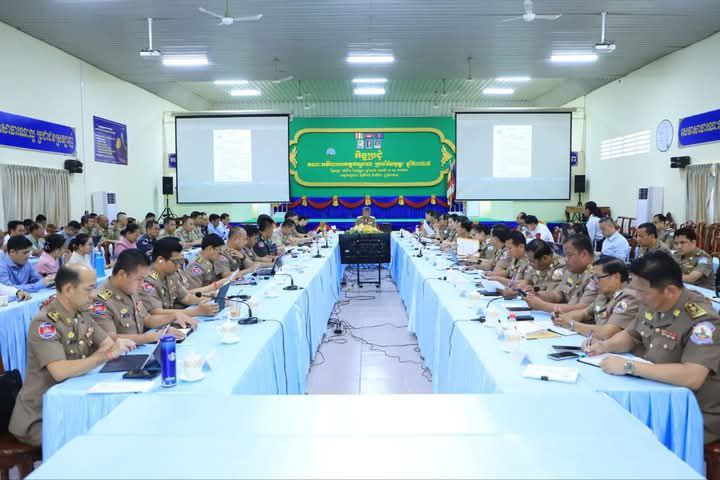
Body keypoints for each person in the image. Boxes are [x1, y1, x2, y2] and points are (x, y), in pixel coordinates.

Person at [585, 251, 720, 444]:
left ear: (670, 291)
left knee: (616, 436)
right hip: (653, 396)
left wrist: (629, 366)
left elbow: (693, 376)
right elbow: (632, 334)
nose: (637, 297)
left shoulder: (703, 321)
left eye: (642, 292)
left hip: (690, 412)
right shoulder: (652, 301)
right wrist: (604, 346)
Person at [9, 264, 136, 446]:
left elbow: (108, 343)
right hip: (42, 416)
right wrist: (104, 355)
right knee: (101, 440)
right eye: (89, 289)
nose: (94, 295)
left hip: (72, 405)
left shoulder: (81, 313)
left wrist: (108, 351)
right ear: (68, 289)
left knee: (118, 425)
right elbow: (60, 371)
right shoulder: (45, 322)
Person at [92, 249, 186, 345]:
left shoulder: (130, 289)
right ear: (122, 274)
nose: (142, 284)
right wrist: (152, 337)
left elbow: (147, 319)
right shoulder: (100, 301)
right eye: (140, 279)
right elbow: (109, 338)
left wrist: (173, 317)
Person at [553, 257, 638, 339]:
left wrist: (571, 324)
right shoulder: (604, 294)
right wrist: (562, 317)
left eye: (598, 277)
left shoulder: (629, 298)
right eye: (593, 278)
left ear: (616, 277)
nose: (595, 282)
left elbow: (608, 333)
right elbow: (585, 313)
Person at [138, 238, 218, 319]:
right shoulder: (147, 281)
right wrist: (196, 311)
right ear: (160, 260)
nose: (179, 266)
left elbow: (186, 297)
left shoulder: (171, 274)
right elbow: (156, 312)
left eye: (180, 261)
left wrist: (210, 299)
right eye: (176, 262)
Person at [525, 234, 598, 313]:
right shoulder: (573, 269)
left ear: (584, 254)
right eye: (565, 255)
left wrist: (543, 306)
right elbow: (561, 295)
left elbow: (582, 308)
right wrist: (538, 295)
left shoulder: (597, 274)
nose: (565, 259)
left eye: (569, 255)